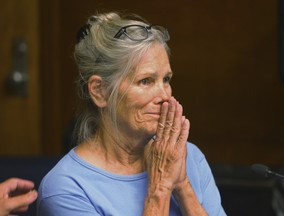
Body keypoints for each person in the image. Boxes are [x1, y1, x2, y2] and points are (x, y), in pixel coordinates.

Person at [37, 11, 226, 215]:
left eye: (166, 80)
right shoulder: (66, 189)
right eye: (145, 81)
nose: (165, 96)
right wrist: (160, 188)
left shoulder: (188, 157)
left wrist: (182, 186)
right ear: (100, 91)